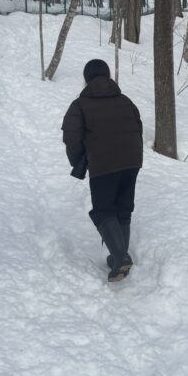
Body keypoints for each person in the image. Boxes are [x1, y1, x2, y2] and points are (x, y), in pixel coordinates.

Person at [62, 59, 143, 282]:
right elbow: (138, 127)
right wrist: (134, 156)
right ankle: (118, 256)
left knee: (103, 210)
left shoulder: (80, 105)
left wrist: (79, 162)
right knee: (123, 209)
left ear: (86, 78)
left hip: (104, 163)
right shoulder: (125, 100)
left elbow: (71, 137)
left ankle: (120, 256)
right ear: (108, 76)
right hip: (132, 161)